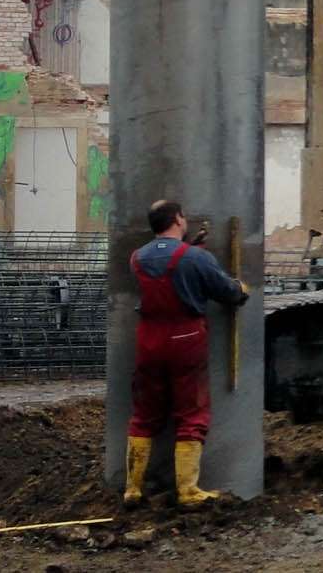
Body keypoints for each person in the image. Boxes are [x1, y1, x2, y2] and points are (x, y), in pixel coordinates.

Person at [123, 199, 250, 509]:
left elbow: (166, 266)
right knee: (191, 415)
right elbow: (226, 291)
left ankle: (133, 490)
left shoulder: (137, 258)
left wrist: (191, 253)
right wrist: (241, 289)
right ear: (179, 219)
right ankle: (189, 491)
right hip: (185, 340)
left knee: (143, 415)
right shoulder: (195, 258)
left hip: (149, 341)